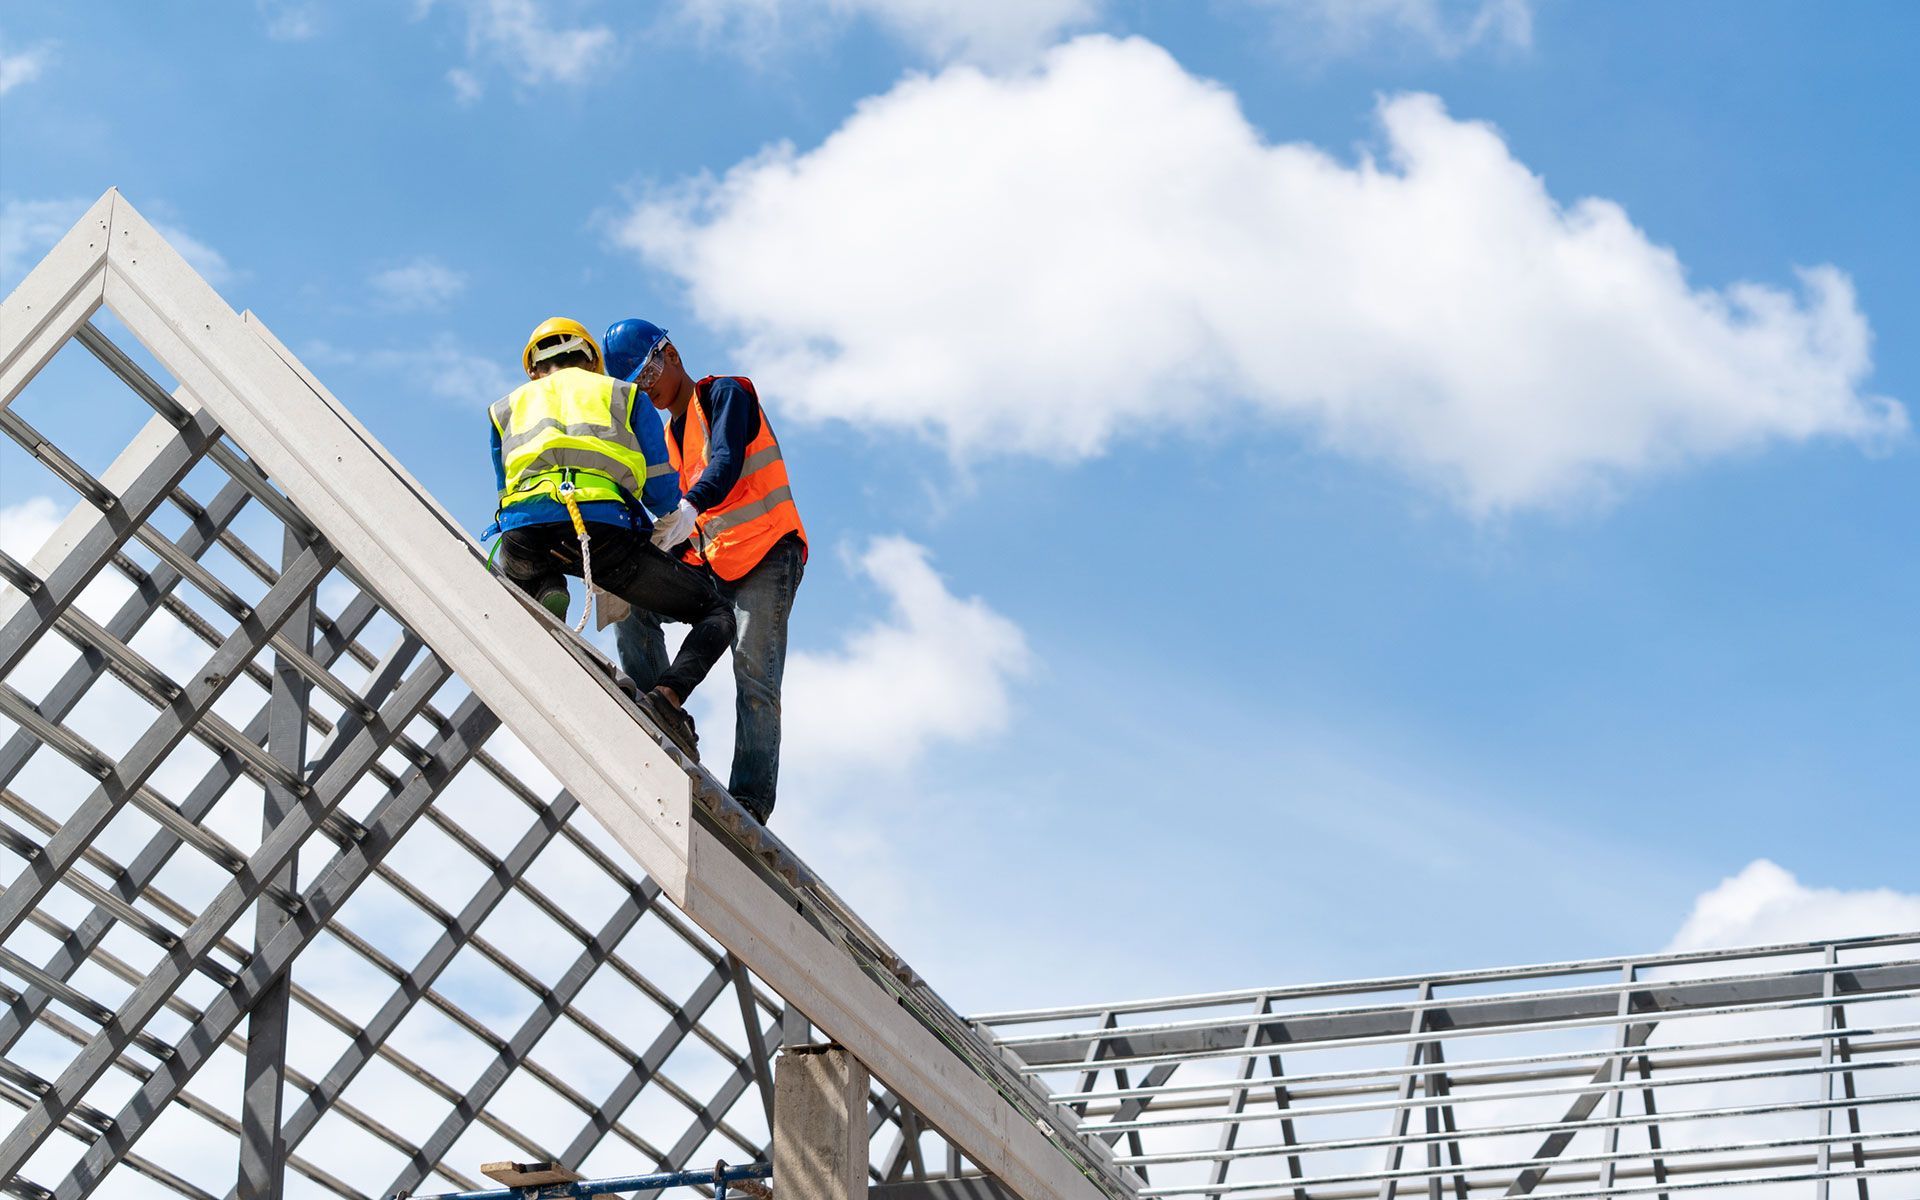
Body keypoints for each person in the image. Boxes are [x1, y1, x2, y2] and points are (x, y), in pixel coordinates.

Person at [484, 316, 734, 760]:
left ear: (534, 367)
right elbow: (660, 487)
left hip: (525, 528)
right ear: (592, 361)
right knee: (716, 612)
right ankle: (668, 699)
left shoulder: (504, 408)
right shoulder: (623, 395)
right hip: (602, 533)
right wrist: (669, 522)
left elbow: (505, 490)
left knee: (520, 551)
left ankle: (545, 587)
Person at [605, 319, 806, 824]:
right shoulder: (667, 437)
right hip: (715, 561)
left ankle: (750, 807)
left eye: (649, 370)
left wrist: (690, 508)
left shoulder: (726, 395)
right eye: (635, 381)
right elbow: (685, 519)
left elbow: (725, 461)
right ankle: (660, 711)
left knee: (754, 674)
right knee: (630, 599)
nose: (645, 386)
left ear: (670, 354)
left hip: (767, 553)